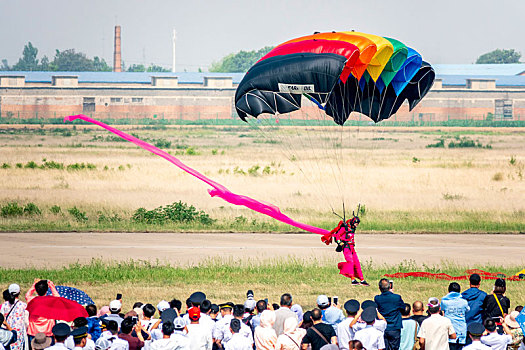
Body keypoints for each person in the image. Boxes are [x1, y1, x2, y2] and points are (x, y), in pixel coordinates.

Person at [320, 215, 368, 286]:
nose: (356, 225)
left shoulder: (352, 228)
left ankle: (362, 279)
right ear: (353, 222)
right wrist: (340, 243)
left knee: (357, 263)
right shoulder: (344, 228)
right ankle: (353, 279)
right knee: (350, 262)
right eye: (356, 224)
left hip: (352, 248)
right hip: (346, 247)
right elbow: (337, 236)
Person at [374, 279, 405, 350]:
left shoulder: (377, 298)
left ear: (379, 288)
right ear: (390, 287)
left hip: (382, 327)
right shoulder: (396, 297)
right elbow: (403, 308)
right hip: (394, 327)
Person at [442, 282, 470, 350]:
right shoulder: (464, 302)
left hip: (450, 331)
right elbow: (467, 310)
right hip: (461, 330)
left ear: (449, 291)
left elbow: (442, 309)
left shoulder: (444, 302)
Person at [1, 284, 27, 350]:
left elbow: (1, 319)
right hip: (19, 333)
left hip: (7, 333)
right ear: (19, 292)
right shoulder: (23, 305)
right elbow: (26, 321)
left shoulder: (4, 305)